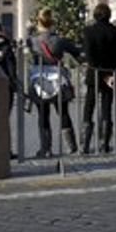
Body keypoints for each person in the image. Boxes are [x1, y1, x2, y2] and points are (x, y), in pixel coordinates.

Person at [28, 8, 80, 156]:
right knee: (63, 113)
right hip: (58, 78)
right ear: (52, 22)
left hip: (39, 78)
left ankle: (46, 148)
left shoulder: (31, 40)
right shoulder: (59, 40)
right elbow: (76, 52)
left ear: (38, 21)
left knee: (43, 115)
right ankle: (71, 146)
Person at [80, 3, 116, 153]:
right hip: (111, 76)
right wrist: (113, 74)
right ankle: (104, 144)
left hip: (94, 75)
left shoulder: (88, 31)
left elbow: (90, 57)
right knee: (107, 109)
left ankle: (85, 145)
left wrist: (102, 74)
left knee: (89, 108)